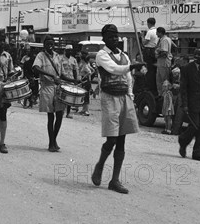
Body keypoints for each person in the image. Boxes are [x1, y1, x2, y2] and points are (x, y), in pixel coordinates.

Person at [91, 24, 145, 194]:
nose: (115, 39)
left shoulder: (124, 56)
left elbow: (128, 78)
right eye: (111, 36)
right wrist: (132, 67)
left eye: (116, 36)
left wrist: (131, 94)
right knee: (112, 139)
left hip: (124, 98)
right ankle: (100, 165)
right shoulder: (101, 55)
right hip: (110, 98)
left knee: (122, 140)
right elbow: (114, 69)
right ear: (104, 38)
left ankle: (115, 180)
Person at [33, 36, 66, 152]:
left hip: (58, 87)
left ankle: (54, 140)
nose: (50, 45)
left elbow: (61, 74)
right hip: (47, 87)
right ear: (44, 45)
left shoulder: (58, 56)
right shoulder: (40, 56)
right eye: (47, 43)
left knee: (60, 114)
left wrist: (73, 81)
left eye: (52, 43)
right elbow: (36, 68)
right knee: (51, 116)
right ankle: (51, 142)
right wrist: (51, 76)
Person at [59, 44, 79, 118]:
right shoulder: (61, 58)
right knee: (62, 96)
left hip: (71, 80)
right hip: (63, 80)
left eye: (71, 50)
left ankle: (68, 113)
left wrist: (75, 80)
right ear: (65, 50)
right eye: (68, 50)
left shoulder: (73, 60)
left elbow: (75, 70)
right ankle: (61, 111)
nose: (70, 51)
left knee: (70, 97)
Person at [155, 27, 174, 95]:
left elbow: (164, 52)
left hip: (164, 63)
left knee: (164, 82)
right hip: (161, 63)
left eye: (157, 32)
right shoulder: (164, 39)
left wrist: (157, 55)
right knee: (159, 81)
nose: (156, 33)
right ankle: (161, 96)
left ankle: (165, 97)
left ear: (160, 32)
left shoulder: (165, 40)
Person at [142, 17, 158, 94]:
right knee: (154, 69)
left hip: (148, 51)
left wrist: (142, 36)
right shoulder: (157, 31)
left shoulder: (150, 32)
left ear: (148, 23)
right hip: (155, 50)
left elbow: (144, 43)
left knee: (148, 69)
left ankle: (148, 86)